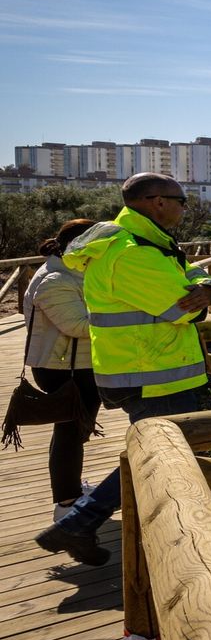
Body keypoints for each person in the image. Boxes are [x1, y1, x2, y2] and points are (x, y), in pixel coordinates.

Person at [35, 174, 211, 567]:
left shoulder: (145, 243)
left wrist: (209, 287)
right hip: (153, 372)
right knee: (154, 456)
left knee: (158, 452)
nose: (184, 207)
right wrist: (202, 298)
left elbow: (188, 279)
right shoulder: (132, 252)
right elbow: (181, 308)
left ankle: (103, 521)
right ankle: (79, 523)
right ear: (156, 201)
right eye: (182, 200)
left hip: (142, 368)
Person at [19, 218, 100, 521]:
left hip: (75, 365)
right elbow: (77, 325)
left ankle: (71, 489)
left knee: (74, 430)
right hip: (63, 368)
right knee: (69, 432)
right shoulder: (54, 280)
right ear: (80, 246)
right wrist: (122, 314)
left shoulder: (69, 273)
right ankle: (66, 505)